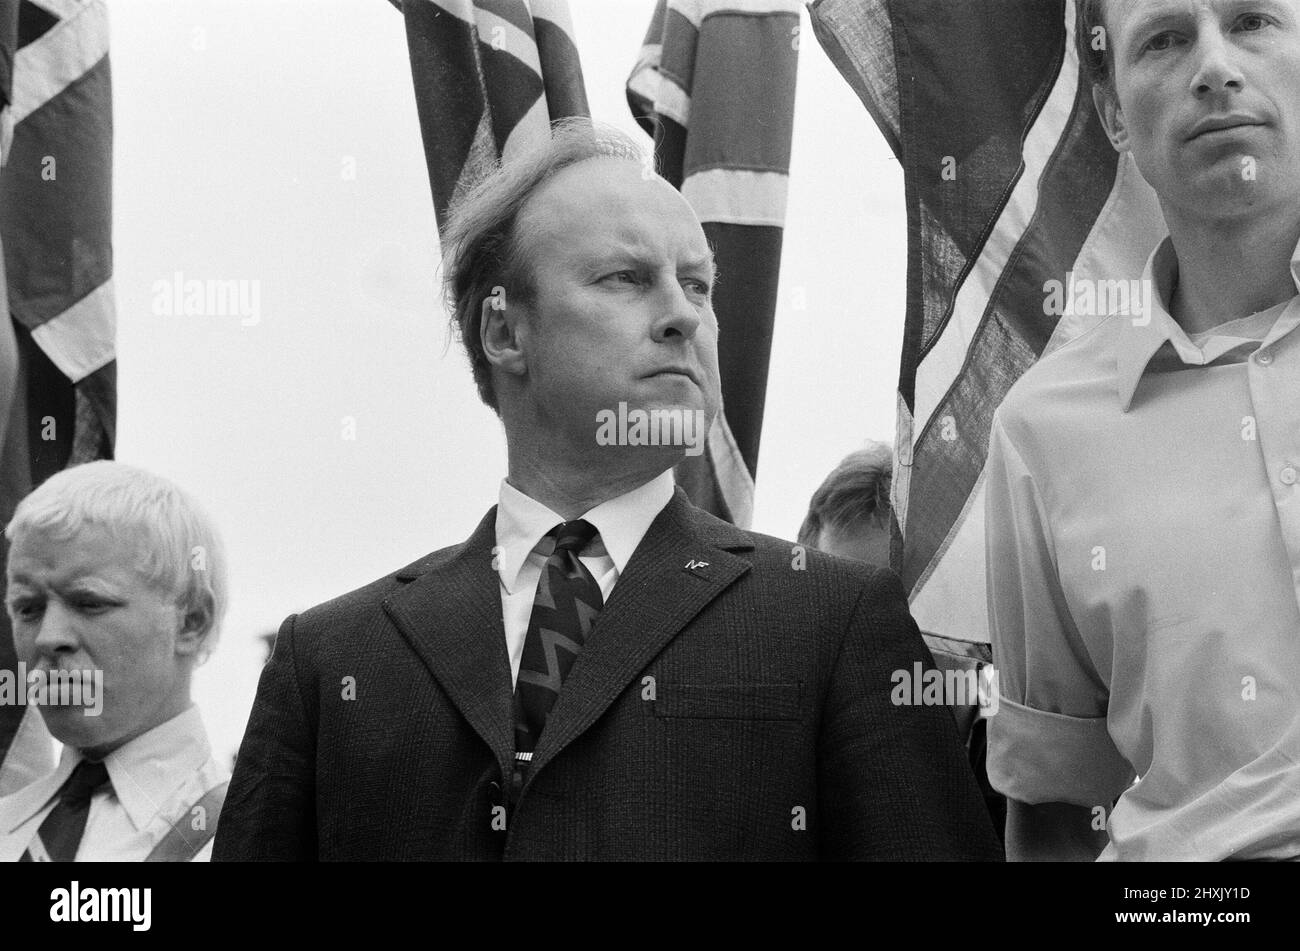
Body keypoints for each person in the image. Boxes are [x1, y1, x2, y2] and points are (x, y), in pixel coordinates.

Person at [214, 120, 1001, 861]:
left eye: (698, 286)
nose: (683, 318)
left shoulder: (836, 621)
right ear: (504, 331)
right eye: (626, 278)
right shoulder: (327, 660)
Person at [986, 0, 1300, 860]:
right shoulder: (1040, 435)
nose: (1215, 66)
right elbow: (1054, 802)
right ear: (1112, 113)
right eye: (1164, 39)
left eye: (1253, 22)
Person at [0, 461, 230, 861]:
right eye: (27, 608)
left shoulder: (255, 838)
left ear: (192, 620)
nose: (49, 637)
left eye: (89, 603)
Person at [800, 444, 1005, 841]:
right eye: (852, 601)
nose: (893, 631)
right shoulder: (778, 755)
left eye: (915, 598)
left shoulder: (1046, 755)